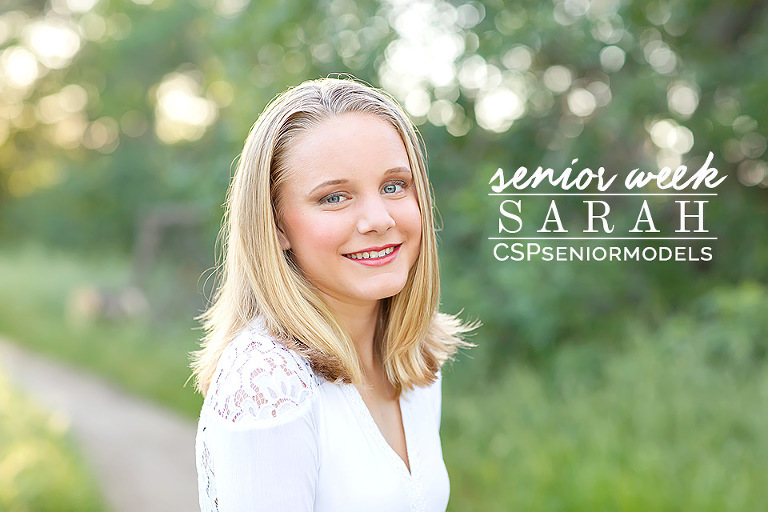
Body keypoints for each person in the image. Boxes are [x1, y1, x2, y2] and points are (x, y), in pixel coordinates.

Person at [191, 76, 474, 511]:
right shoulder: (268, 384)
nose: (378, 219)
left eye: (394, 186)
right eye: (335, 197)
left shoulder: (412, 355)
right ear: (278, 226)